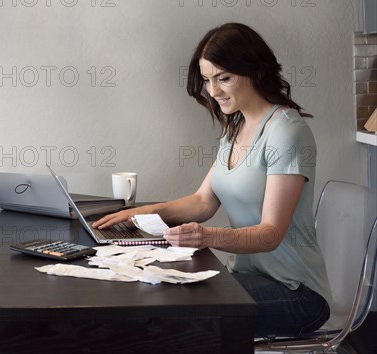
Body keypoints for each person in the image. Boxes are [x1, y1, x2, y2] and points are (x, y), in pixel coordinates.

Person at [93, 22, 331, 338]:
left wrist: (206, 236)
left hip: (297, 292)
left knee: (171, 316)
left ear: (256, 72)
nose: (213, 91)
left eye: (224, 78)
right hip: (249, 276)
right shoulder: (235, 129)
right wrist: (142, 212)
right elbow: (203, 202)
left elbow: (270, 234)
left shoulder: (286, 132)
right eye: (207, 80)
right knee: (155, 290)